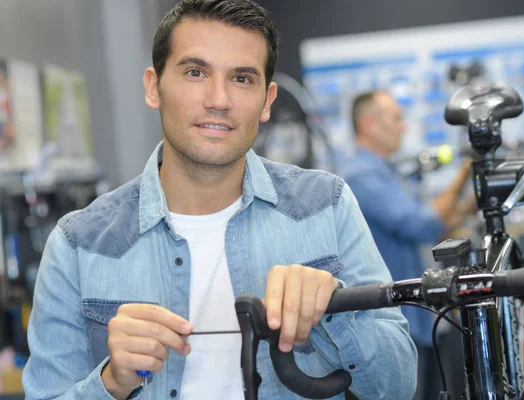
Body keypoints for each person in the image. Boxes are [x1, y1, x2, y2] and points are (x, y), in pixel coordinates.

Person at [22, 1, 417, 399]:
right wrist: (111, 381)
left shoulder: (326, 206)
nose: (219, 99)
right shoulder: (79, 245)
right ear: (153, 87)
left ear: (266, 100)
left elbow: (398, 386)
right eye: (196, 72)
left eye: (242, 79)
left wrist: (333, 311)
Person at [344, 91, 474, 400]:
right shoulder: (361, 177)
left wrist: (471, 201)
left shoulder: (386, 173)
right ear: (369, 125)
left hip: (416, 319)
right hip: (394, 323)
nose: (403, 127)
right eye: (396, 119)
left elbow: (435, 228)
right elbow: (419, 225)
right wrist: (465, 172)